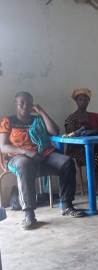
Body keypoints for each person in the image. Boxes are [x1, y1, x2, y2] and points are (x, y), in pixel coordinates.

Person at [0, 92, 85, 230]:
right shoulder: (8, 121)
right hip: (17, 156)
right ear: (15, 105)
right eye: (21, 102)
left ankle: (67, 205)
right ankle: (29, 215)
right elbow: (3, 146)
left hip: (42, 153)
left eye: (28, 102)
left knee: (67, 162)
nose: (25, 105)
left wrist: (42, 112)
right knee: (24, 163)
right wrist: (26, 152)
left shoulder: (37, 120)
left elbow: (55, 131)